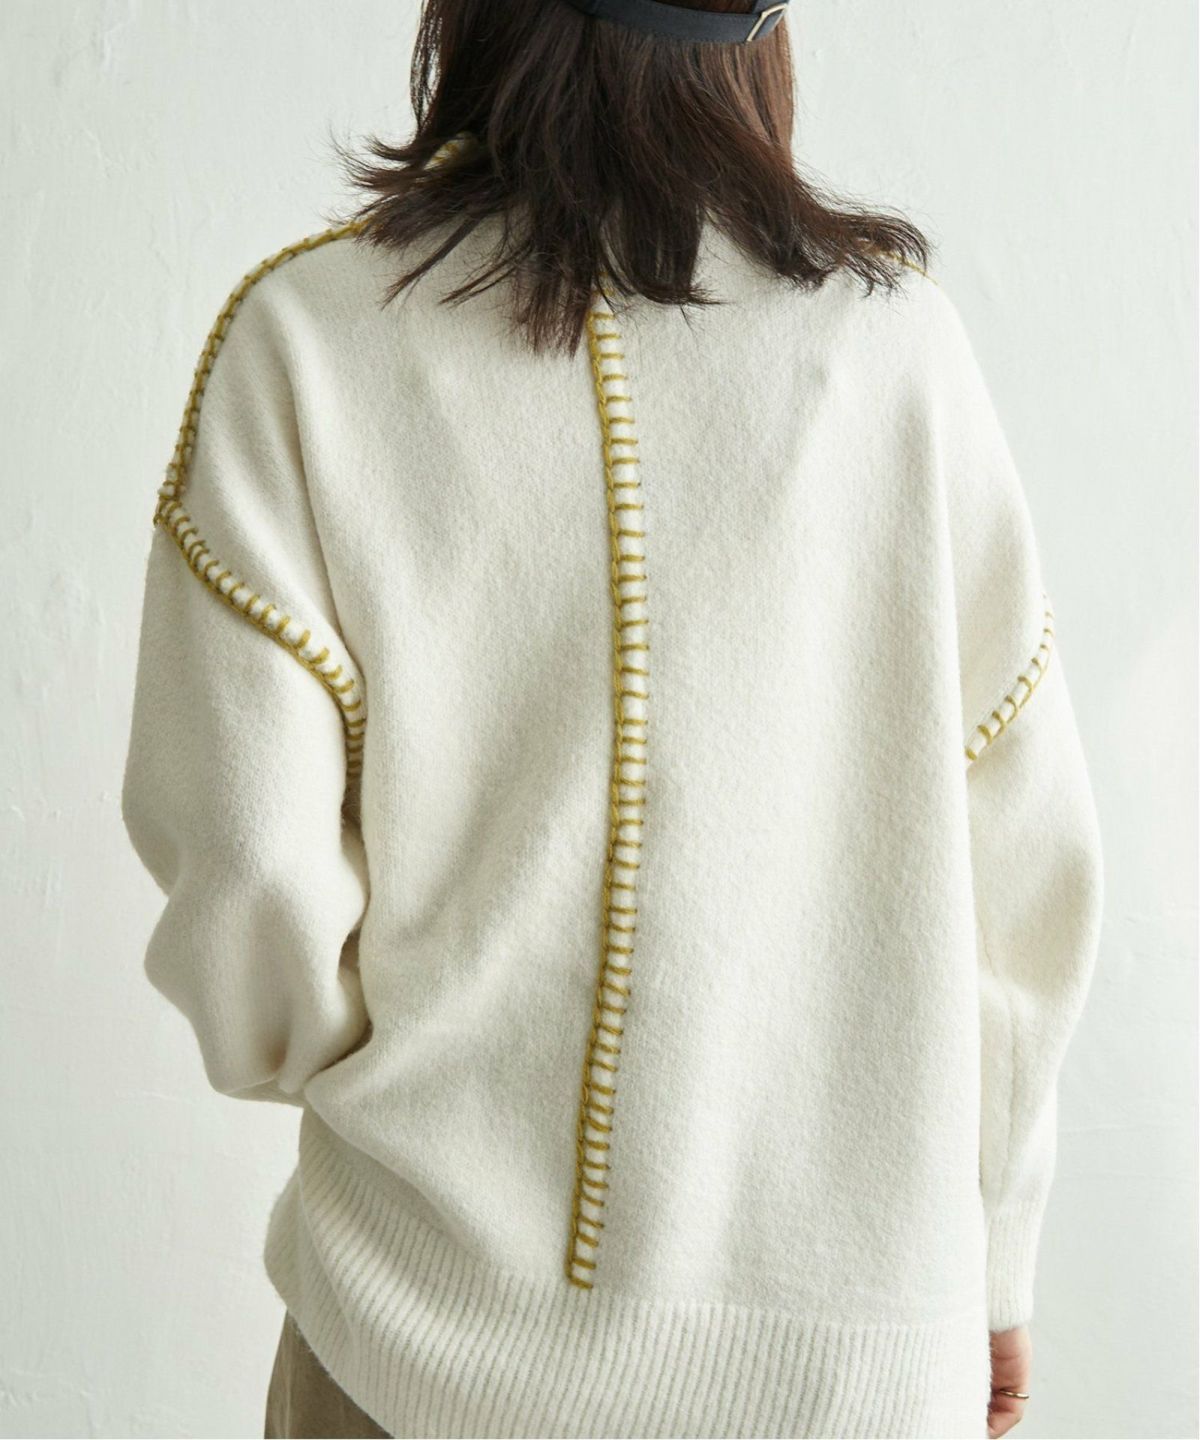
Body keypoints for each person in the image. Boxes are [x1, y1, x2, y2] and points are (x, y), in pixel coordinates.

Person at [119, 0, 1105, 1436]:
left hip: (411, 1349)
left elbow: (246, 874)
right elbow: (1023, 882)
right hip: (851, 1377)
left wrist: (401, 1090)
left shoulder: (310, 341)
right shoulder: (902, 358)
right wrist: (996, 1247)